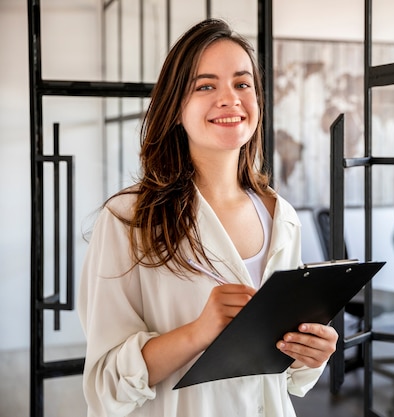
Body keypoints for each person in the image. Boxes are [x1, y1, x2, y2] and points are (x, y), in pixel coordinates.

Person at [78, 18, 338, 417]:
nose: (230, 99)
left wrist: (310, 353)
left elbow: (284, 378)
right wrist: (198, 333)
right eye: (205, 85)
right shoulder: (128, 219)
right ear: (175, 107)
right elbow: (105, 387)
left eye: (242, 83)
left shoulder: (280, 215)